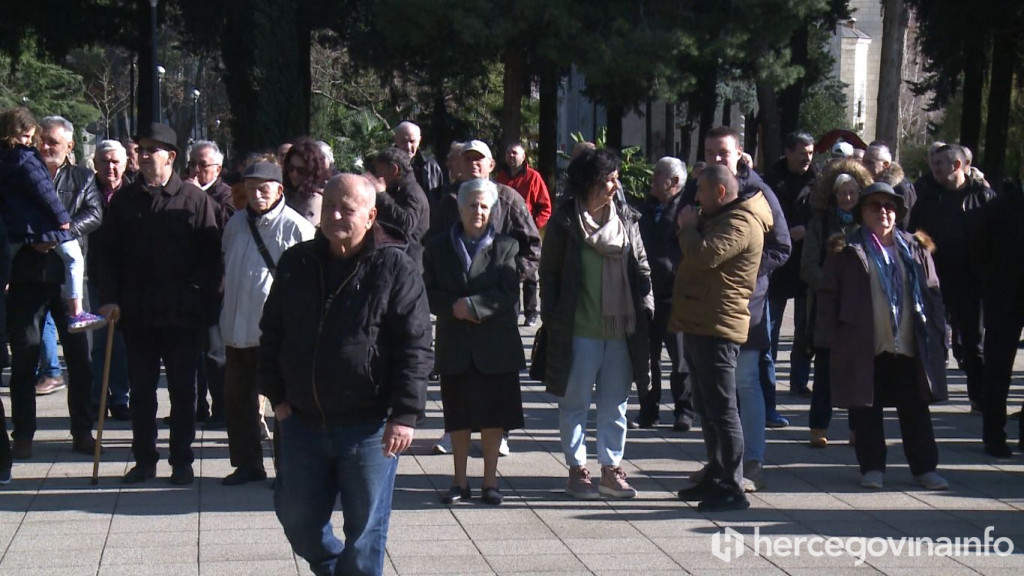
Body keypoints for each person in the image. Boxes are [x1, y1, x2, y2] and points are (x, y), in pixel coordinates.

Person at [260, 174, 431, 576]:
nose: (335, 216)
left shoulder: (395, 267)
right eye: (330, 207)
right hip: (302, 420)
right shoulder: (298, 261)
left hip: (368, 426)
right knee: (297, 517)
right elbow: (272, 331)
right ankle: (331, 566)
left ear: (371, 216)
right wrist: (275, 394)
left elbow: (415, 345)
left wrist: (405, 414)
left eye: (347, 209)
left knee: (366, 529)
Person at [96, 123, 221, 485]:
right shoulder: (124, 200)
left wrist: (199, 298)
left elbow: (211, 258)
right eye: (141, 149)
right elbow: (106, 255)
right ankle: (144, 459)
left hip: (182, 314)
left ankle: (182, 460)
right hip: (137, 312)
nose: (145, 155)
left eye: (152, 149)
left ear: (171, 156)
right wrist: (109, 299)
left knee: (183, 390)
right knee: (141, 391)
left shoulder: (195, 200)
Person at [818, 182, 949, 491]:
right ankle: (872, 468)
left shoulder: (915, 247)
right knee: (866, 409)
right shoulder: (847, 249)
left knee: (915, 408)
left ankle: (925, 469)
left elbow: (933, 295)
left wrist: (940, 335)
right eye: (874, 206)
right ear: (862, 212)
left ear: (898, 213)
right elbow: (827, 295)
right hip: (865, 342)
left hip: (909, 343)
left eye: (889, 207)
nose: (883, 212)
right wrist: (833, 337)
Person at [540, 148, 652, 500]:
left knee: (615, 405)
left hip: (621, 331)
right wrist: (552, 318)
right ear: (590, 182)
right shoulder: (564, 222)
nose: (616, 186)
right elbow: (549, 273)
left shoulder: (626, 218)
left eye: (617, 179)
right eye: (610, 179)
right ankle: (577, 470)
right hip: (578, 330)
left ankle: (611, 469)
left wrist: (646, 302)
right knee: (574, 404)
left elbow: (641, 263)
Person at [426, 140, 540, 456]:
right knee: (458, 377)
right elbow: (432, 249)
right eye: (468, 159)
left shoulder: (509, 198)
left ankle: (498, 432)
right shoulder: (449, 202)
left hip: (496, 308)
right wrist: (450, 301)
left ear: (491, 165)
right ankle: (455, 431)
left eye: (480, 160)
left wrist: (508, 275)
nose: (474, 164)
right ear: (457, 165)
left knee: (496, 376)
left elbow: (532, 246)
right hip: (455, 310)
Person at [0, 107, 101, 460]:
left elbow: (93, 214)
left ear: (70, 145)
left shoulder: (82, 178)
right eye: (41, 141)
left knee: (80, 358)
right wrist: (32, 239)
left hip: (67, 283)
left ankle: (82, 431)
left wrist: (59, 236)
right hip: (27, 277)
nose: (45, 147)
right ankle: (23, 434)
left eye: (53, 142)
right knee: (25, 357)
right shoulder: (20, 168)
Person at [672, 164, 770, 512]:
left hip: (718, 326)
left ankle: (732, 485)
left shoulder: (741, 221)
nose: (697, 198)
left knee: (723, 410)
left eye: (701, 191)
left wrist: (688, 228)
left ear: (721, 192)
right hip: (701, 321)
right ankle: (715, 474)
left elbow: (704, 256)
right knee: (706, 406)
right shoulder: (722, 216)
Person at [424, 178, 525, 505]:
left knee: (494, 417)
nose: (478, 212)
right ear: (460, 208)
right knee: (458, 417)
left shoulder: (507, 246)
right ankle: (459, 482)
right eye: (472, 205)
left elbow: (508, 291)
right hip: (455, 344)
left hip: (495, 345)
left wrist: (474, 307)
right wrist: (452, 306)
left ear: (492, 210)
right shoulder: (437, 247)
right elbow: (428, 291)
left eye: (484, 206)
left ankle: (490, 482)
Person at [220, 162, 315, 485]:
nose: (257, 194)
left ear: (279, 190)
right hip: (236, 329)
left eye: (264, 188)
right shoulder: (235, 223)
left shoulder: (297, 227)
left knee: (283, 403)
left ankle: (288, 470)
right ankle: (247, 464)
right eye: (251, 188)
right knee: (237, 400)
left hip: (276, 333)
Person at [908, 144, 994, 413]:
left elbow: (996, 237)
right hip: (936, 279)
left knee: (973, 342)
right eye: (933, 163)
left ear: (957, 166)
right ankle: (927, 391)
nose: (934, 168)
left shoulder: (983, 196)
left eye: (940, 164)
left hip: (972, 281)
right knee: (929, 336)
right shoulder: (928, 197)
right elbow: (914, 234)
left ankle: (979, 398)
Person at [801, 159, 872, 448]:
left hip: (858, 308)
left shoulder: (866, 224)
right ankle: (818, 427)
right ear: (833, 195)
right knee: (824, 372)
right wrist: (829, 286)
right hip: (826, 307)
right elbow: (808, 265)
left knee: (857, 372)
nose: (847, 197)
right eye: (842, 192)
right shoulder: (820, 223)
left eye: (852, 192)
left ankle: (858, 429)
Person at [631, 156, 695, 431]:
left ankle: (684, 411)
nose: (653, 178)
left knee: (680, 358)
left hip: (676, 295)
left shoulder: (687, 209)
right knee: (648, 357)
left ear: (675, 181)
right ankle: (648, 410)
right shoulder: (645, 208)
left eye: (659, 174)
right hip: (647, 293)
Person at [972, 180, 1024, 457]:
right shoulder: (1000, 206)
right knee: (998, 370)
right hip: (1004, 297)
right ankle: (994, 435)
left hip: (1004, 294)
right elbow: (979, 250)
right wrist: (991, 284)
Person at [763, 132, 817, 397]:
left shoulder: (819, 181)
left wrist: (807, 229)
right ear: (788, 152)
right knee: (770, 327)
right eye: (802, 153)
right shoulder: (770, 181)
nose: (807, 158)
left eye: (811, 153)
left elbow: (824, 216)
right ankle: (768, 381)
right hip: (777, 263)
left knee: (804, 328)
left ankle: (799, 380)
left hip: (807, 260)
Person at [88, 140, 132, 421]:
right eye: (105, 161)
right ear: (95, 164)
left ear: (125, 164)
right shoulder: (86, 190)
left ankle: (120, 398)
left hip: (128, 278)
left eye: (116, 162)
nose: (110, 167)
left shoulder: (133, 192)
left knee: (122, 344)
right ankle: (97, 398)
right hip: (94, 276)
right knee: (99, 341)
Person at [496, 142, 551, 326]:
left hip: (527, 234)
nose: (511, 156)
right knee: (507, 272)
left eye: (515, 153)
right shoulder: (500, 178)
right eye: (508, 153)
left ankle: (531, 312)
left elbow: (545, 207)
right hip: (506, 234)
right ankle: (510, 310)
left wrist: (533, 226)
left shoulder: (533, 177)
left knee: (530, 275)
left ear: (523, 156)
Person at [371, 147, 430, 271]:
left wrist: (382, 196)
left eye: (379, 171)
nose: (377, 176)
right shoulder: (397, 190)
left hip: (409, 265)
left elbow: (407, 223)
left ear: (394, 169)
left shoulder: (412, 192)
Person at [861, 143, 916, 228]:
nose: (864, 167)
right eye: (863, 162)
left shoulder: (900, 189)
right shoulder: (866, 186)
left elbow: (905, 226)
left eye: (869, 163)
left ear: (885, 165)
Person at [283, 137, 330, 226]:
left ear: (312, 172)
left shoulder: (315, 200)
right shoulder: (284, 192)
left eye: (301, 171)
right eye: (291, 168)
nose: (294, 174)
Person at [394, 120, 444, 193]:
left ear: (419, 141)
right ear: (395, 139)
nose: (408, 146)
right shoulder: (385, 164)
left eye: (412, 141)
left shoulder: (431, 167)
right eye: (404, 141)